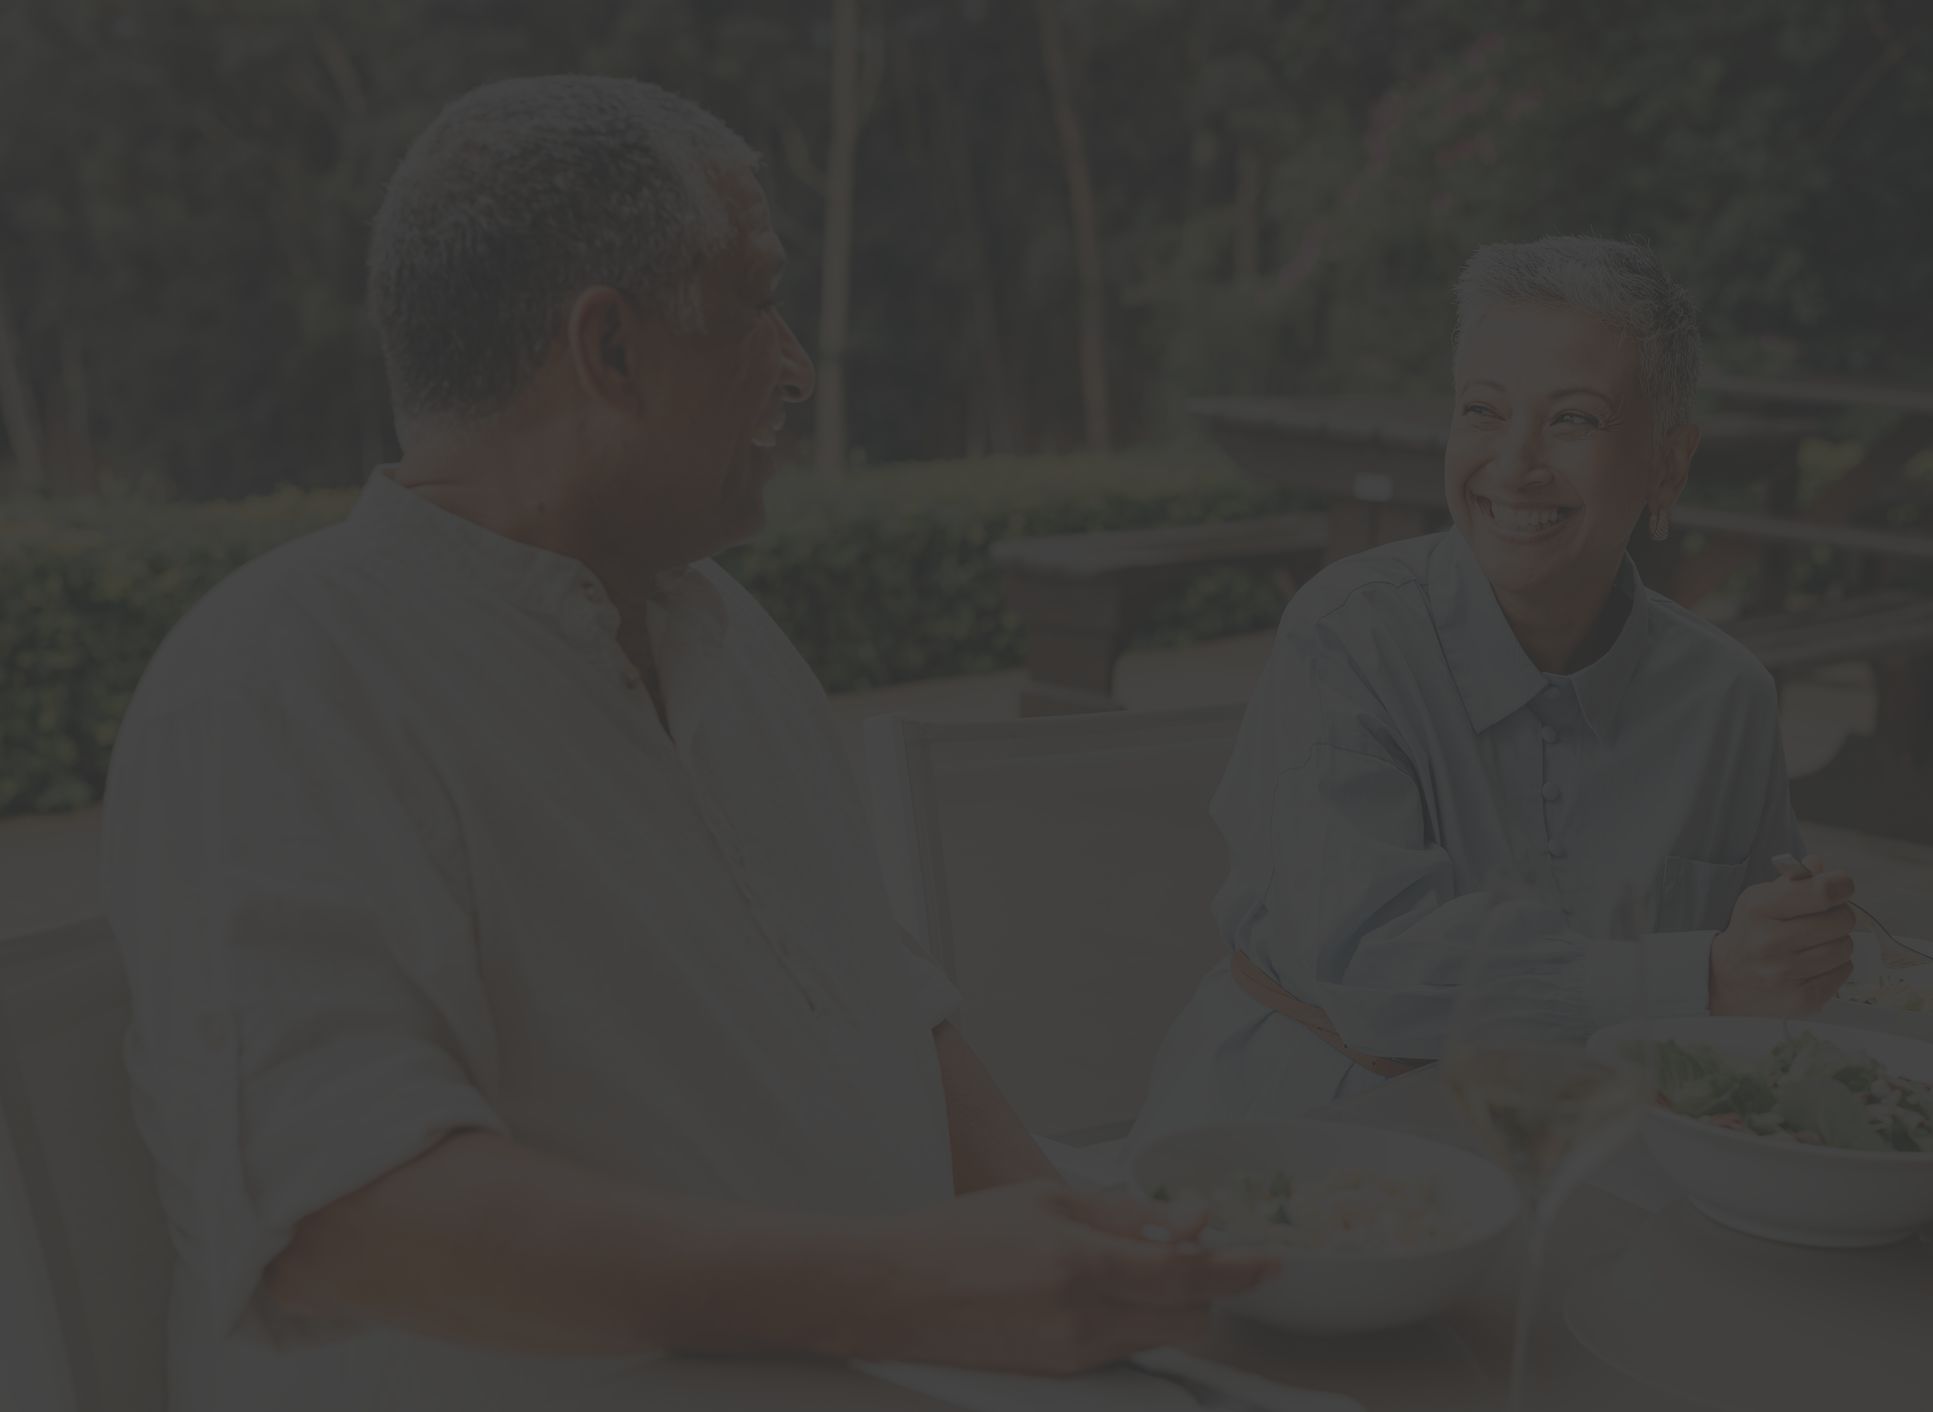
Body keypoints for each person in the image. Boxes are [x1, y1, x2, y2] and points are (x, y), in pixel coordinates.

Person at [101, 75, 1271, 1412]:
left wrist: (1079, 1247)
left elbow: (880, 1001)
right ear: (609, 352)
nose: (794, 367)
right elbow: (351, 1215)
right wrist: (906, 1287)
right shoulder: (278, 674)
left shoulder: (722, 631)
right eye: (753, 301)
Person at [1128, 236, 1860, 1147]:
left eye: (1574, 420)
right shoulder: (1347, 636)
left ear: (1669, 465)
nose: (1514, 465)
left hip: (1597, 1149)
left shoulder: (1727, 697)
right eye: (1483, 410)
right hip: (1302, 1131)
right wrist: (1697, 977)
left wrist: (1794, 946)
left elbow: (1757, 990)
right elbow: (1369, 969)